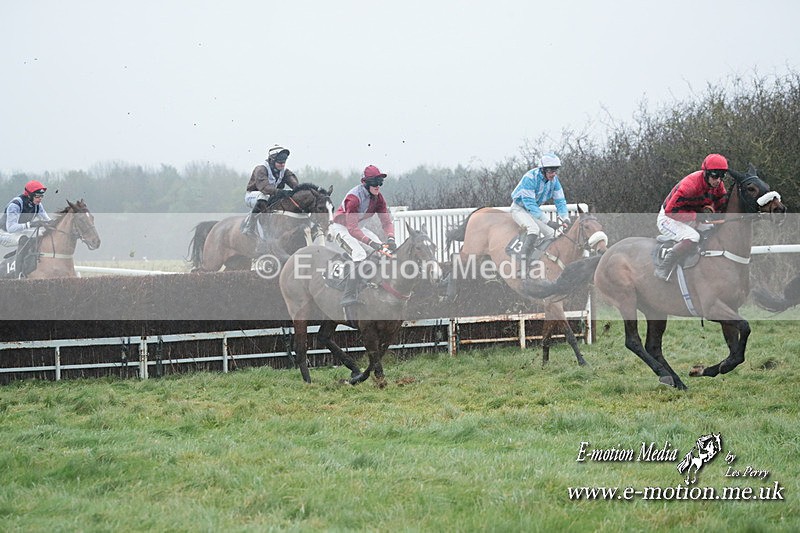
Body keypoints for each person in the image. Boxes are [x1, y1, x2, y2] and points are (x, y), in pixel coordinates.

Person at [329, 165, 397, 307]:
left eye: (380, 182)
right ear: (365, 183)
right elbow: (352, 229)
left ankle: (377, 284)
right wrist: (371, 243)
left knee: (383, 253)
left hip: (358, 228)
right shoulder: (354, 198)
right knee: (359, 254)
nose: (378, 186)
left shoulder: (379, 199)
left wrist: (391, 237)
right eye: (374, 183)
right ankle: (348, 295)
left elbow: (386, 222)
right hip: (341, 228)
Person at [654, 153, 729, 280]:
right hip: (668, 218)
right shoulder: (690, 186)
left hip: (689, 216)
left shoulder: (718, 185)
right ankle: (663, 267)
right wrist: (695, 216)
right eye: (715, 176)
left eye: (722, 176)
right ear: (706, 173)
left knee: (713, 230)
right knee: (693, 237)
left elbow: (721, 205)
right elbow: (670, 211)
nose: (718, 180)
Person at [510, 153, 570, 259]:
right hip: (519, 208)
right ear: (542, 170)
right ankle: (522, 262)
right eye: (550, 171)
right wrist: (548, 221)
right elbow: (530, 204)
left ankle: (536, 258)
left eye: (555, 171)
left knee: (551, 234)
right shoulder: (529, 178)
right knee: (534, 230)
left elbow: (560, 201)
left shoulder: (555, 181)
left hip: (532, 211)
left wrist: (565, 218)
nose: (553, 174)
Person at [242, 145, 300, 245]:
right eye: (280, 162)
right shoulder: (261, 169)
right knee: (263, 196)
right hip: (253, 196)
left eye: (284, 162)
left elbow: (296, 185)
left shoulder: (285, 172)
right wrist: (280, 192)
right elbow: (264, 188)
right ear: (272, 160)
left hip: (271, 196)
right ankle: (249, 226)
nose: (282, 165)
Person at [0, 179, 52, 248]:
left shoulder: (38, 205)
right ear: (29, 195)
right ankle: (18, 259)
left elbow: (47, 220)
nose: (40, 199)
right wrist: (30, 224)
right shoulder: (15, 205)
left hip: (21, 232)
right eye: (37, 196)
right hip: (5, 233)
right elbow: (11, 228)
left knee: (44, 235)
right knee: (24, 240)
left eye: (41, 196)